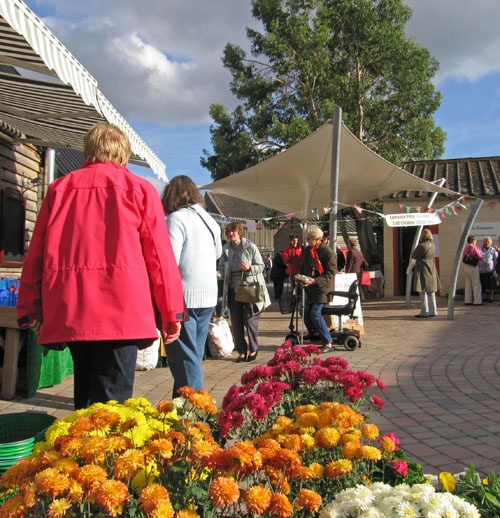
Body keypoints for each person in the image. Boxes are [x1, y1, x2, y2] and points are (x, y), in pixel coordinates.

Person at [17, 123, 185, 410]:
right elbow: (160, 257)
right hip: (123, 312)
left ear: (88, 149)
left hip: (72, 309)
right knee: (114, 407)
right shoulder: (140, 190)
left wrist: (30, 308)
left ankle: (81, 453)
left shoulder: (59, 189)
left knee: (84, 397)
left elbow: (36, 254)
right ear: (123, 152)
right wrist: (172, 313)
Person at [162, 175, 222, 397]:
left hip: (184, 298)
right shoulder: (209, 220)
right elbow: (218, 253)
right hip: (207, 296)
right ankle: (180, 408)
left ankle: (194, 413)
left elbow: (169, 260)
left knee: (186, 361)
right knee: (192, 357)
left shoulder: (176, 220)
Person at [218, 222, 270, 363]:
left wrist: (249, 268)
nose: (230, 234)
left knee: (250, 320)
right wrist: (218, 273)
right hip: (233, 290)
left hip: (249, 289)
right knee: (235, 322)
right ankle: (241, 351)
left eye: (233, 232)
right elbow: (222, 268)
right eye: (228, 232)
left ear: (239, 232)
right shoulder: (226, 249)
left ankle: (253, 348)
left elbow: (261, 266)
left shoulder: (250, 247)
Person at [297, 225, 336, 352]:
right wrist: (300, 277)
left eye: (309, 239)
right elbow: (304, 267)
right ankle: (314, 333)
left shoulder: (328, 252)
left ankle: (328, 342)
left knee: (315, 314)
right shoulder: (308, 250)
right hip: (310, 288)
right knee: (304, 310)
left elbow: (330, 273)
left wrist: (315, 281)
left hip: (322, 289)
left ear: (317, 239)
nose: (307, 241)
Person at [407, 228, 440, 318]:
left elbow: (413, 258)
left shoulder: (421, 246)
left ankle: (425, 311)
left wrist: (409, 270)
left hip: (423, 269)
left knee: (423, 290)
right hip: (432, 269)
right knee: (431, 290)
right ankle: (433, 311)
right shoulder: (433, 245)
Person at [462, 235, 484, 306]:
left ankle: (467, 300)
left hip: (466, 266)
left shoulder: (465, 248)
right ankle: (477, 301)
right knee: (476, 284)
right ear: (473, 241)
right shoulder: (473, 247)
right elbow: (480, 257)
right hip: (473, 266)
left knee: (468, 284)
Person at [478, 236, 498, 303]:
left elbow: (495, 260)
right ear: (483, 242)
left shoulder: (493, 250)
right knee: (483, 285)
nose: (486, 243)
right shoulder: (479, 249)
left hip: (490, 270)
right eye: (485, 241)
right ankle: (484, 297)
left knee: (491, 285)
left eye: (488, 241)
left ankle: (491, 297)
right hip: (482, 271)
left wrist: (495, 269)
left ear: (491, 242)